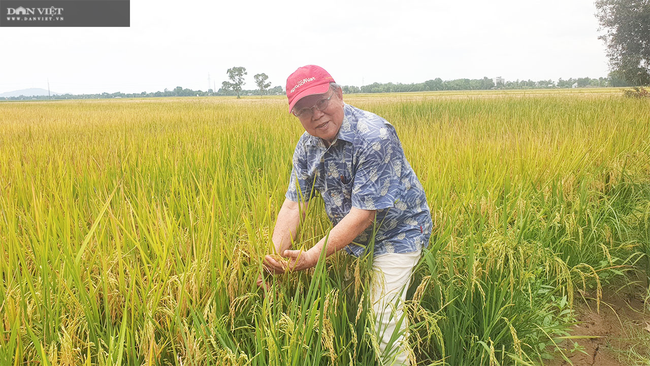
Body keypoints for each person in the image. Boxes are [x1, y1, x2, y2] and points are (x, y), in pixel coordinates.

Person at [259, 65, 432, 365]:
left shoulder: (375, 136)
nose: (316, 115)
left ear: (339, 94)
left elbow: (364, 214)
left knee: (382, 313)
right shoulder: (306, 147)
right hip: (355, 240)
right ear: (295, 115)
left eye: (322, 102)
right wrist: (274, 258)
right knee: (354, 306)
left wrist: (313, 255)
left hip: (398, 232)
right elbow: (293, 204)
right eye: (304, 109)